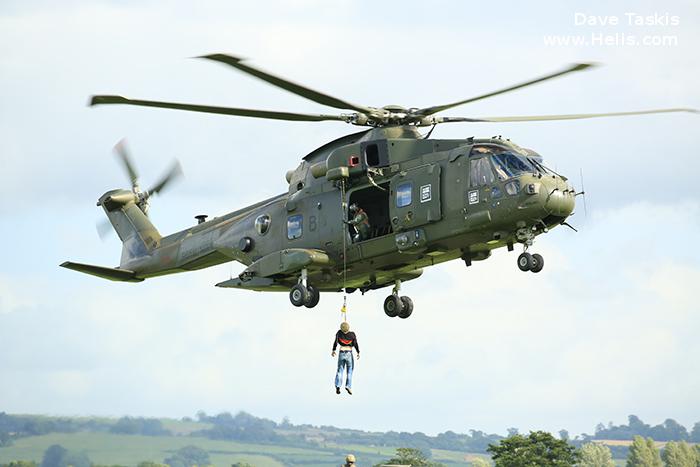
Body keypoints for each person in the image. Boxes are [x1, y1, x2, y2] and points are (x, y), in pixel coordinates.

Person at [332, 321, 359, 395]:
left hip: (341, 352)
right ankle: (348, 386)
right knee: (349, 371)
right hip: (349, 353)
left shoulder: (339, 333)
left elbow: (335, 342)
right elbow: (355, 344)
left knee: (340, 370)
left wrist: (333, 350)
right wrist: (358, 352)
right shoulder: (352, 334)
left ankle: (338, 386)